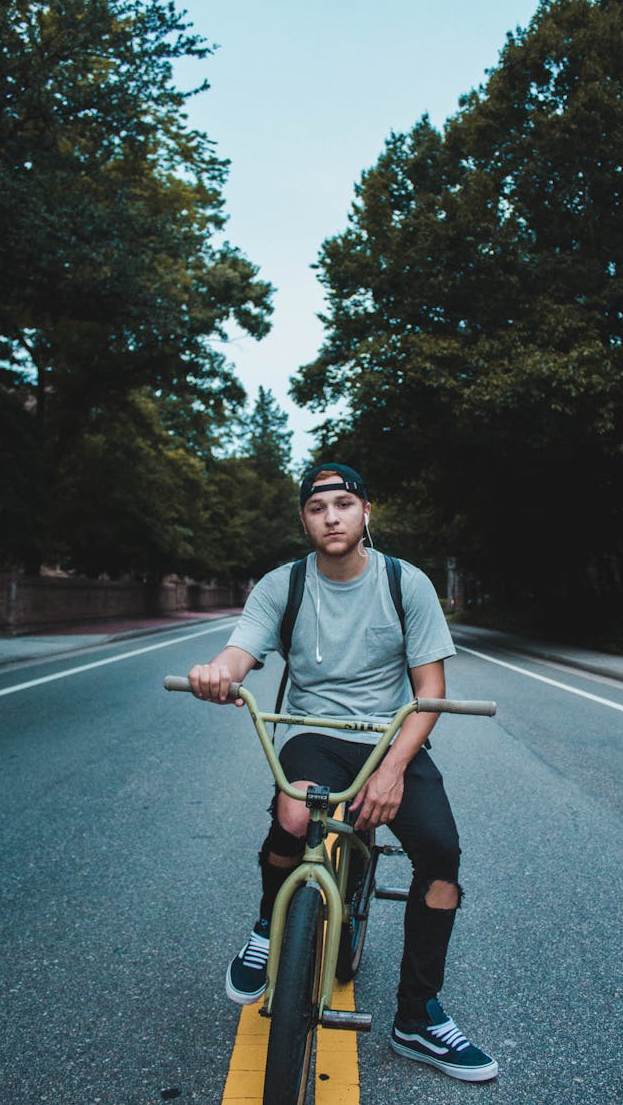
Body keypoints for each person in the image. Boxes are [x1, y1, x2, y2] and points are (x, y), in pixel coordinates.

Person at [188, 462, 498, 1083]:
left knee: (441, 855)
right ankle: (265, 926)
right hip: (313, 733)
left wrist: (392, 770)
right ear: (304, 519)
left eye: (344, 504)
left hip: (391, 736)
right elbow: (242, 647)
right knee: (295, 815)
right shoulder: (284, 584)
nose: (331, 516)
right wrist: (219, 669)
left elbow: (429, 689)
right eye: (316, 508)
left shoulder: (404, 582)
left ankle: (418, 1018)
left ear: (365, 514)